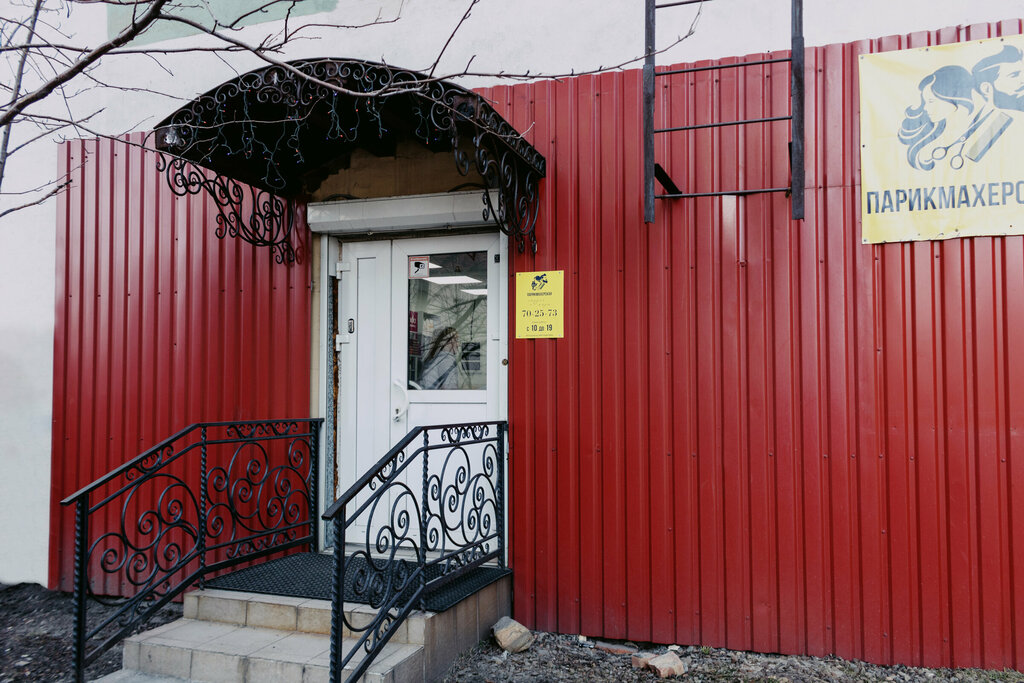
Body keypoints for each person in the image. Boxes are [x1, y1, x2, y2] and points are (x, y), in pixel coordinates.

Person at [898, 65, 976, 170]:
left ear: (953, 97)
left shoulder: (986, 130)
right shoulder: (936, 136)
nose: (925, 108)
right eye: (926, 102)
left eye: (931, 101)